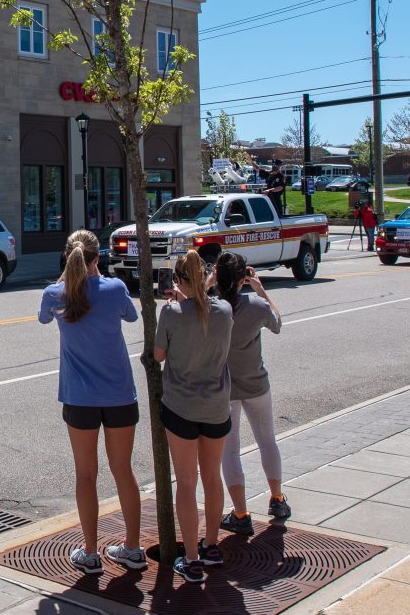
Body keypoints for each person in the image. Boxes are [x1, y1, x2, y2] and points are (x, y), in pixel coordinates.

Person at [38, 230, 145, 575]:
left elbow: (43, 317)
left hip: (79, 398)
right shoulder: (115, 289)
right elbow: (132, 317)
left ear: (67, 258)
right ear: (98, 258)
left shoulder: (56, 293)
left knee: (86, 474)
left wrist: (69, 278)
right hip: (118, 395)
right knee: (123, 471)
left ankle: (89, 551)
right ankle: (132, 547)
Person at [155, 250, 235, 584]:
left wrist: (175, 305)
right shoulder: (225, 311)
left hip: (181, 407)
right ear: (203, 277)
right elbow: (204, 307)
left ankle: (190, 558)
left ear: (177, 280)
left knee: (186, 482)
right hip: (216, 407)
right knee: (211, 477)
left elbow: (158, 355)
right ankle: (212, 545)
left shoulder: (171, 314)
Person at [212, 253, 290, 537]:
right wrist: (260, 289)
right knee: (267, 440)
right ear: (243, 277)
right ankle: (277, 499)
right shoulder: (256, 306)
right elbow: (278, 323)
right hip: (257, 384)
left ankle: (241, 513)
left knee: (229, 452)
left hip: (226, 388)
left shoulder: (214, 308)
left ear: (218, 278)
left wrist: (211, 281)